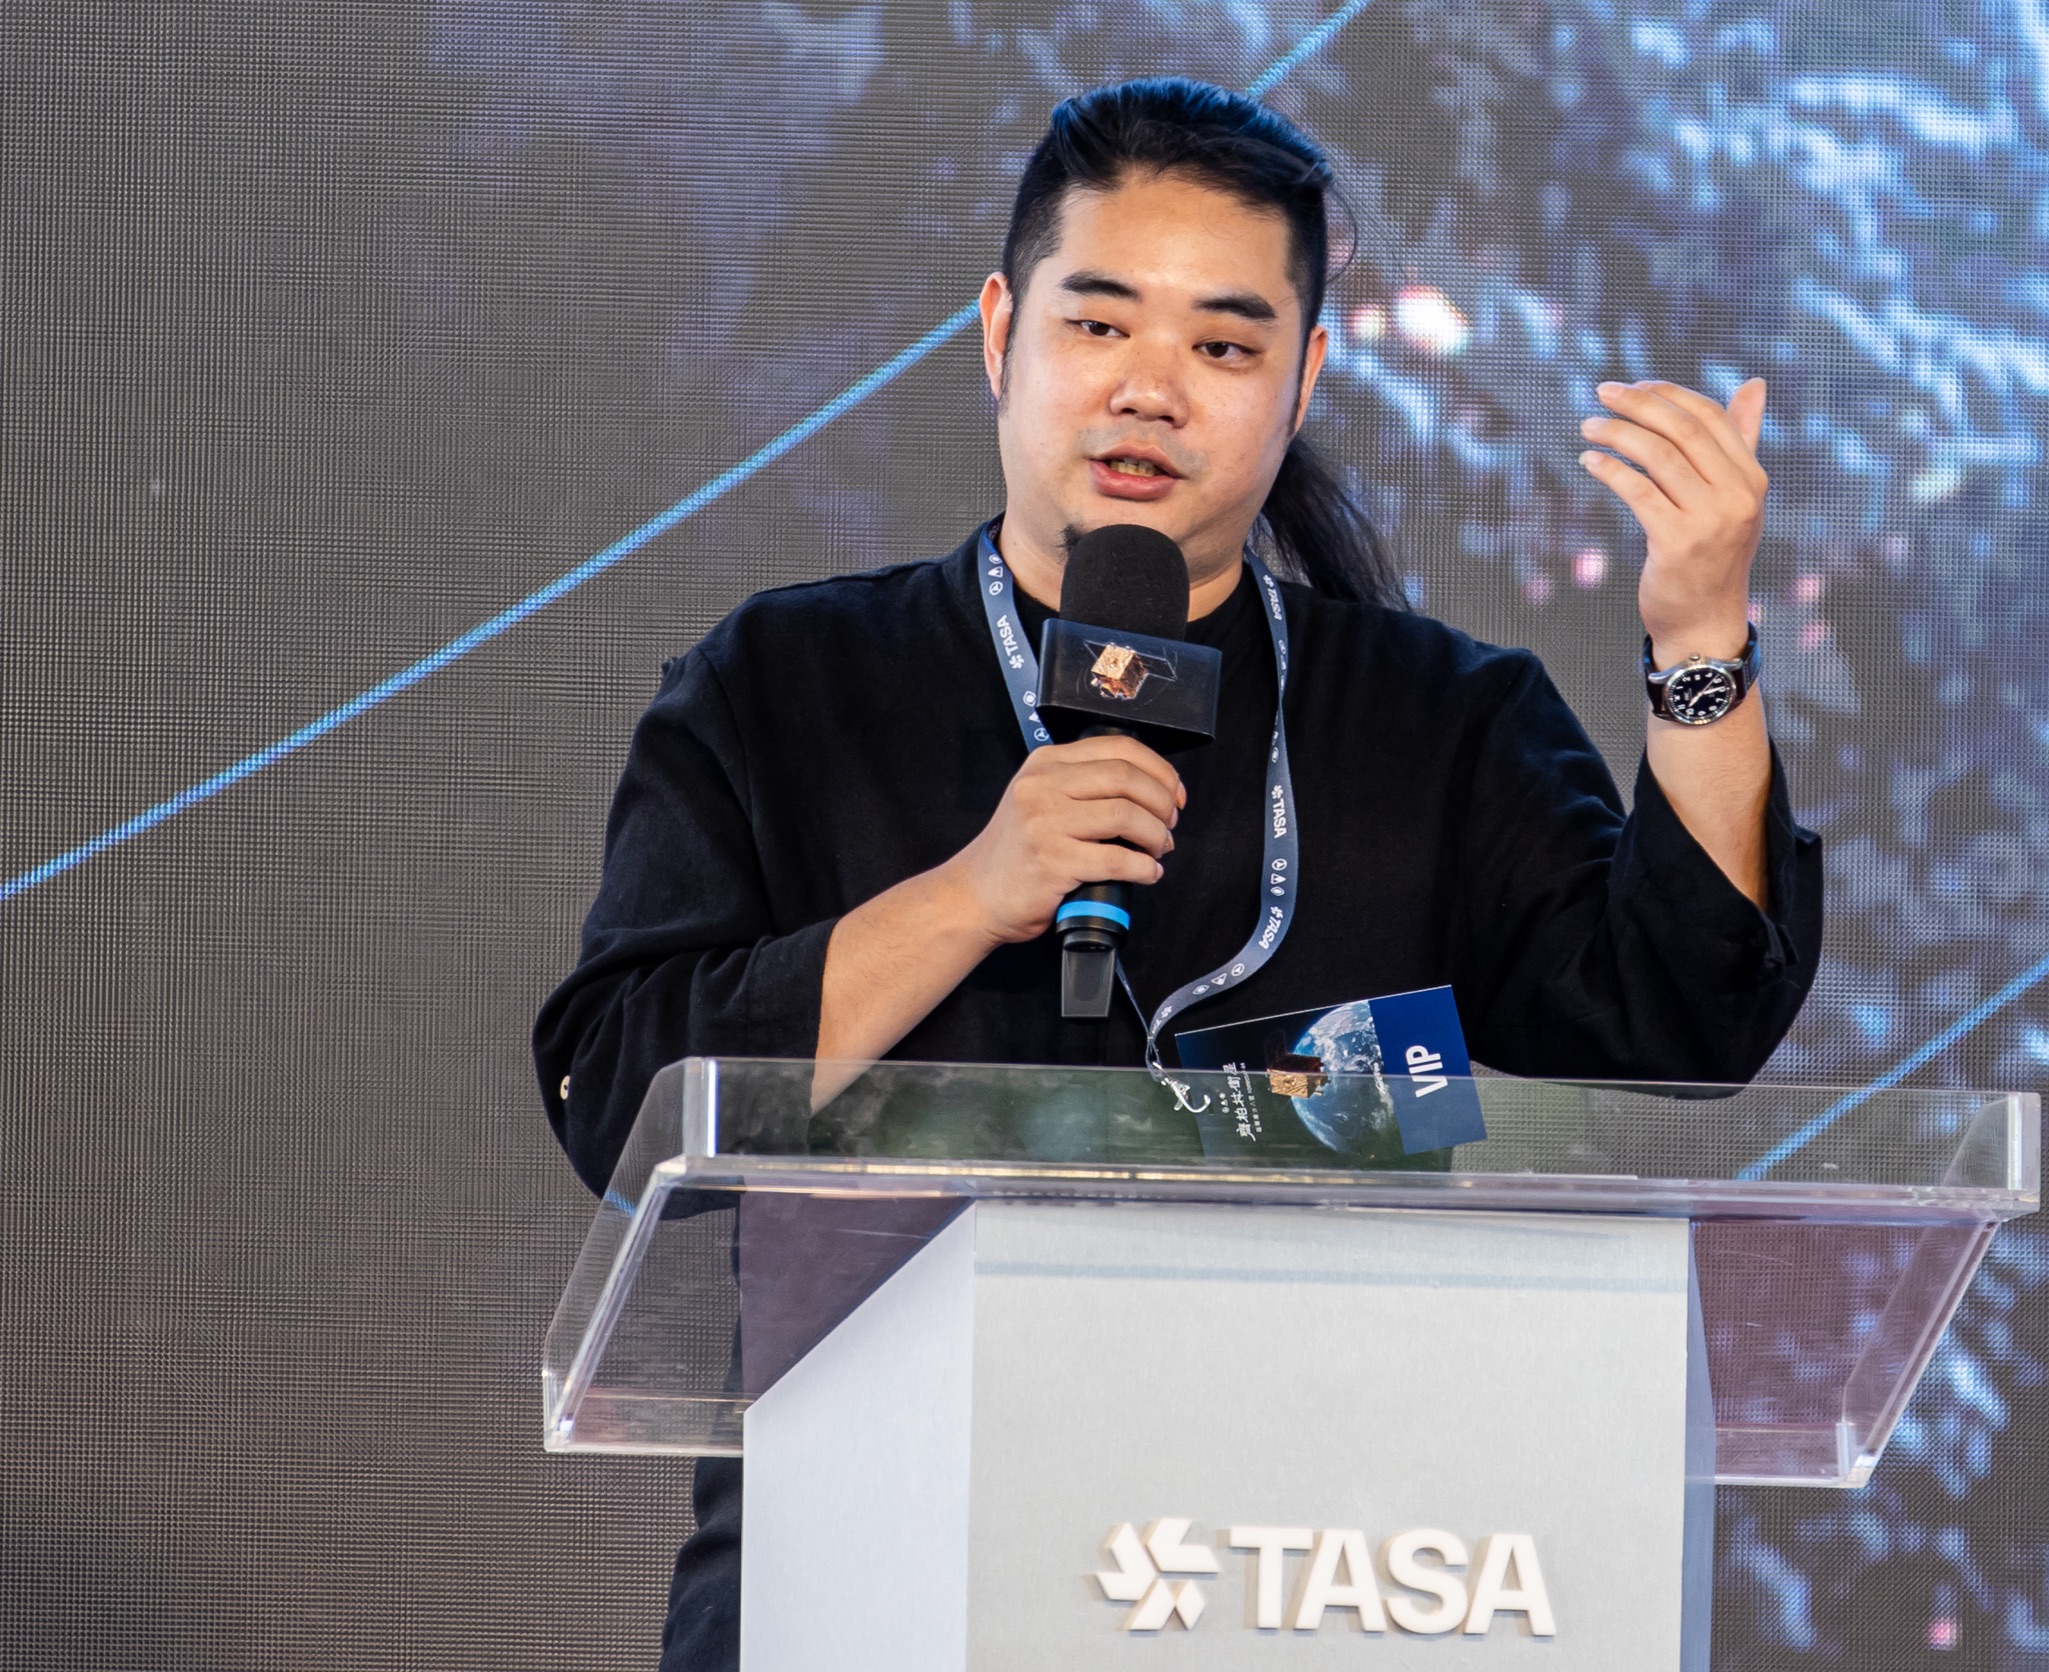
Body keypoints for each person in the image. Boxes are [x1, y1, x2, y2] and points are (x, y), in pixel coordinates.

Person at [533, 76, 1820, 1672]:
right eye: (1099, 326)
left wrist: (1699, 645)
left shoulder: (1441, 720)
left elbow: (1682, 1014)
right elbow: (623, 1098)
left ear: (1305, 380)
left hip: (1313, 1573)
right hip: (863, 1563)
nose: (1150, 391)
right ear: (1000, 333)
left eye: (1222, 347)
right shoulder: (786, 687)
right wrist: (971, 894)